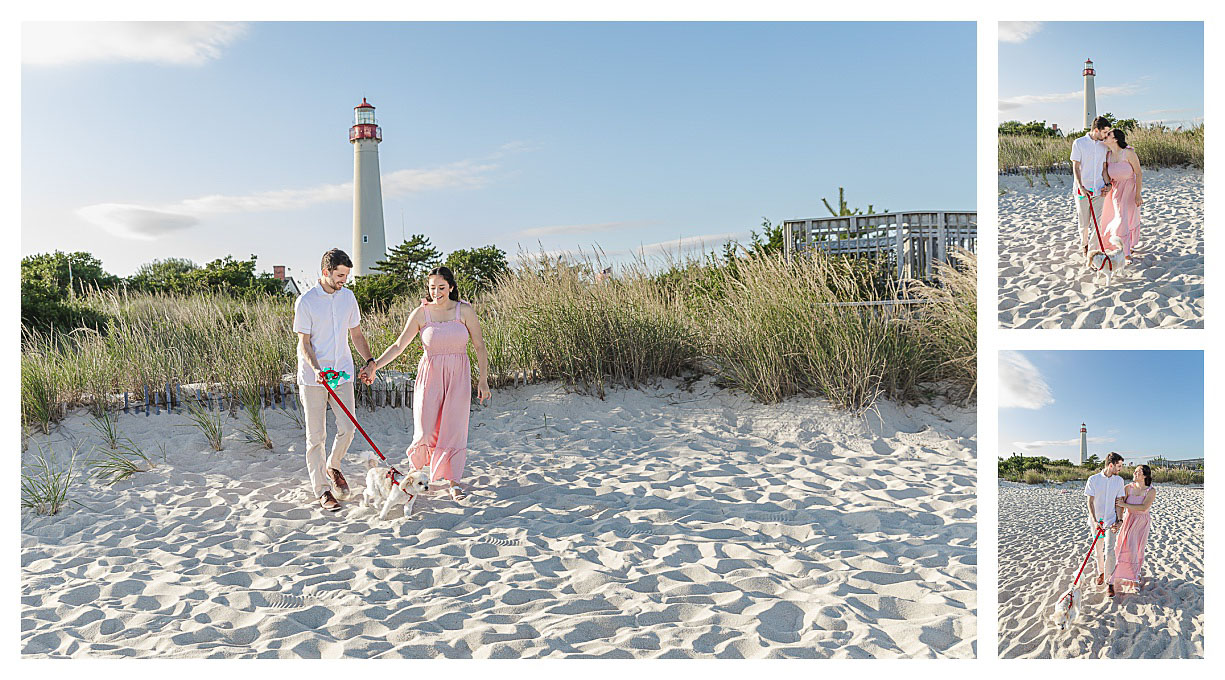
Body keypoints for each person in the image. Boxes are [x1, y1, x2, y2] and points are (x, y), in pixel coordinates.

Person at [360, 266, 491, 501]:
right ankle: (416, 476)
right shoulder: (422, 313)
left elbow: (480, 346)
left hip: (458, 377)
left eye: (441, 287)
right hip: (429, 377)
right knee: (425, 429)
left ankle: (454, 482)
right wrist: (374, 365)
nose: (436, 292)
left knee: (454, 428)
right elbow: (399, 345)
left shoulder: (465, 311)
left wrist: (483, 380)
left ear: (451, 287)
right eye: (432, 288)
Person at [293, 249, 378, 512]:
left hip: (342, 373)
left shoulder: (348, 298)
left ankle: (334, 465)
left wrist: (370, 361)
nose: (344, 280)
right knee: (316, 436)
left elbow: (356, 334)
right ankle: (322, 490)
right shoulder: (306, 301)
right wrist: (317, 369)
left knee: (348, 428)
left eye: (346, 275)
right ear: (326, 272)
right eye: (340, 275)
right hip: (313, 378)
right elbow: (304, 343)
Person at [1084, 452, 1128, 597]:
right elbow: (1090, 502)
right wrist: (1095, 520)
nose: (1120, 468)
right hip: (1097, 522)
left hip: (1110, 521)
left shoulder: (1119, 481)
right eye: (1119, 466)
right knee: (1099, 549)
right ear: (1111, 465)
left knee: (1109, 550)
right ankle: (1101, 573)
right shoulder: (1093, 479)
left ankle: (1110, 582)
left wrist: (1119, 520)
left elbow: (1119, 503)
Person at [1099, 128, 1144, 262]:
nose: (1105, 137)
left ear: (1116, 139)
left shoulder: (1128, 153)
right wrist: (1107, 185)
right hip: (1116, 190)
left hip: (1130, 188)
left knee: (1129, 217)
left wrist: (1138, 194)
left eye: (1108, 135)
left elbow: (1138, 173)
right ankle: (1125, 254)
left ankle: (1127, 247)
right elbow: (1105, 172)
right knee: (1120, 217)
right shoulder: (1107, 155)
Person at [1071, 116, 1113, 255]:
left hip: (1099, 190)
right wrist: (1081, 187)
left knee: (1098, 223)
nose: (1106, 135)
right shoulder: (1079, 143)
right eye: (1104, 132)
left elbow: (1104, 168)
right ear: (1096, 130)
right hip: (1082, 191)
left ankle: (1093, 251)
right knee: (1084, 224)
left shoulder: (1103, 146)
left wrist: (1108, 184)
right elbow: (1076, 167)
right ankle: (1084, 245)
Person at [1112, 464, 1155, 592]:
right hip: (1129, 519)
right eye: (1135, 471)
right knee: (1123, 547)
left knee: (1137, 549)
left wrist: (1125, 504)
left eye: (1138, 472)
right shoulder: (1128, 488)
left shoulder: (1151, 490)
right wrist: (1119, 519)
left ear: (1145, 476)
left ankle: (1135, 577)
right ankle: (1124, 574)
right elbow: (1119, 505)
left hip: (1142, 522)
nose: (1135, 474)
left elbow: (1143, 507)